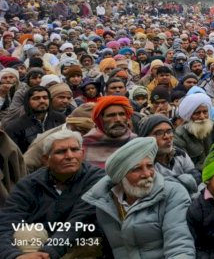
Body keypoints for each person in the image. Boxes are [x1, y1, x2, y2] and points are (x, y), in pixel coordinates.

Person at [82, 137, 195, 258]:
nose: (147, 174)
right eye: (137, 169)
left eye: (150, 166)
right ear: (121, 175)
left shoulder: (172, 193)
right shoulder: (105, 202)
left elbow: (179, 246)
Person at [0, 130, 105, 259]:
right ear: (46, 159)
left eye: (74, 149)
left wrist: (48, 253)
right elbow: (6, 222)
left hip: (84, 242)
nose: (69, 156)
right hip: (42, 243)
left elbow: (79, 221)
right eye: (60, 152)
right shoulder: (29, 184)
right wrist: (13, 256)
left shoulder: (97, 179)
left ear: (82, 154)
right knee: (26, 233)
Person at [139, 114, 200, 194]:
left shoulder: (180, 154)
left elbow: (196, 177)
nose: (167, 137)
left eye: (169, 131)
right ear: (146, 137)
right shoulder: (144, 162)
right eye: (159, 133)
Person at [2, 86, 66, 153]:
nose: (42, 101)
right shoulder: (15, 127)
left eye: (45, 98)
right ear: (28, 102)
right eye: (36, 98)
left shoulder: (60, 119)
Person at [82, 95, 138, 168]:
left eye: (121, 114)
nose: (118, 119)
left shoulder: (135, 142)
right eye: (111, 115)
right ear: (100, 120)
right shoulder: (85, 144)